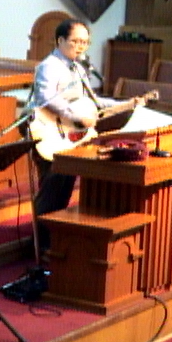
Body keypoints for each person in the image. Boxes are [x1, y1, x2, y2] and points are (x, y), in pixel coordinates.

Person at [28, 18, 144, 257]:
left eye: (85, 42)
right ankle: (40, 246)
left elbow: (92, 101)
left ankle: (54, 244)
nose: (80, 47)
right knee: (51, 191)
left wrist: (125, 104)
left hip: (72, 136)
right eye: (76, 41)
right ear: (60, 40)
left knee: (64, 190)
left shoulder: (79, 68)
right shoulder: (50, 66)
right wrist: (76, 116)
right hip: (51, 133)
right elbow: (46, 99)